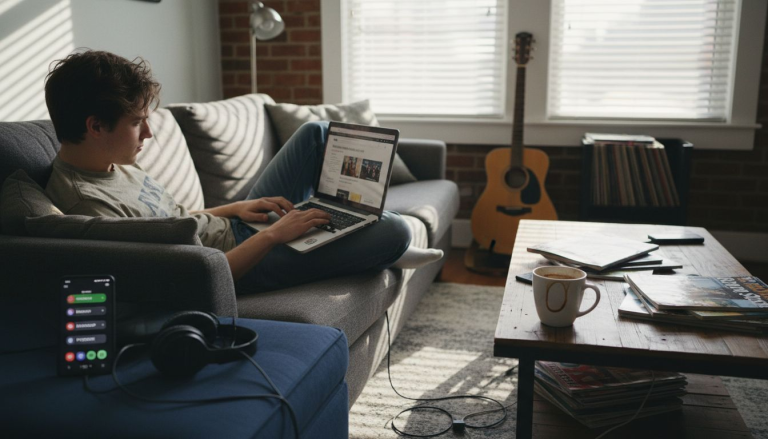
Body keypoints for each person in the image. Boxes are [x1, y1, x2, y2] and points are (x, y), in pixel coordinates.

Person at [42, 50, 442, 293]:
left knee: (316, 133)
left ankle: (348, 225)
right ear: (96, 126)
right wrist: (273, 235)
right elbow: (190, 278)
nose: (149, 133)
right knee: (397, 229)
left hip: (239, 230)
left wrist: (235, 208)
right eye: (136, 123)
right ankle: (381, 247)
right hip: (243, 264)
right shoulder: (88, 206)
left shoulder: (113, 164)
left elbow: (176, 220)